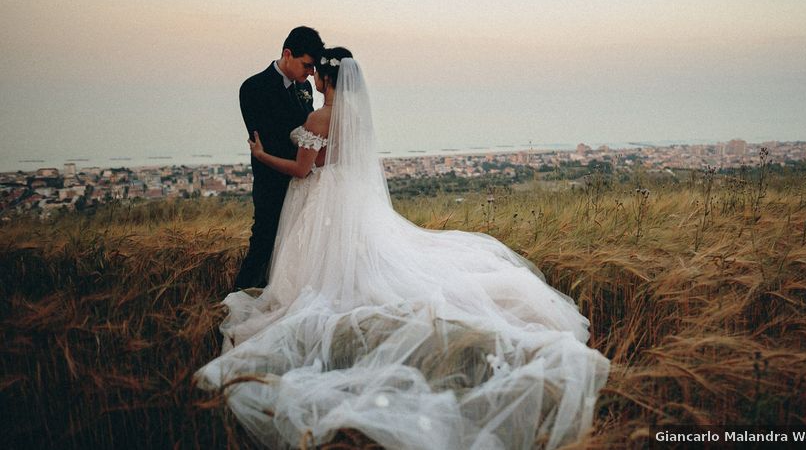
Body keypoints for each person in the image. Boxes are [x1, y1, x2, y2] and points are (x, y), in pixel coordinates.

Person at [197, 49, 609, 450]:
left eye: (316, 74)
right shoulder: (355, 116)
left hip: (321, 198)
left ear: (325, 79)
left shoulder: (320, 117)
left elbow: (304, 169)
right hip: (350, 197)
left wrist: (262, 155)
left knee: (315, 268)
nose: (312, 80)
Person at [233, 26, 324, 290]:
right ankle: (239, 296)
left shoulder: (304, 86)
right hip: (272, 181)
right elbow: (269, 141)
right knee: (263, 242)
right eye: (306, 65)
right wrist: (303, 162)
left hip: (302, 181)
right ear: (287, 54)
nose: (309, 73)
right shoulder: (253, 88)